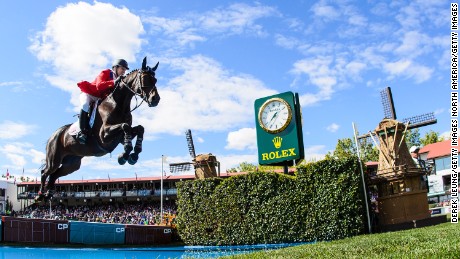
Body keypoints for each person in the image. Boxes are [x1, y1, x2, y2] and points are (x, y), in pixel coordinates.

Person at [76, 59, 129, 144]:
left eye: (125, 70)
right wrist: (114, 82)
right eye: (122, 69)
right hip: (89, 93)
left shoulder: (119, 80)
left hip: (99, 98)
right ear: (116, 68)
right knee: (85, 105)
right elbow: (99, 86)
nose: (124, 71)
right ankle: (82, 132)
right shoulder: (106, 72)